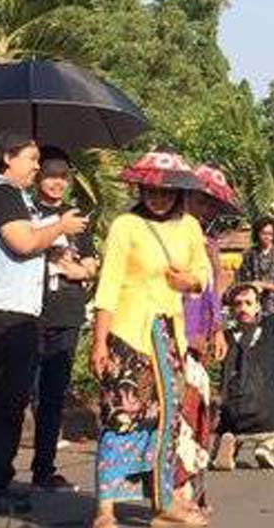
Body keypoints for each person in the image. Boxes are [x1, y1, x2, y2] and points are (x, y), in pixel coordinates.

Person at [0, 132, 87, 515]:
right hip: (0, 312)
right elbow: (21, 242)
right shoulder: (0, 193)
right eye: (30, 158)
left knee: (8, 404)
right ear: (7, 159)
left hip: (11, 312)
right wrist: (59, 227)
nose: (36, 166)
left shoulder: (9, 197)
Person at [89, 151, 210, 528]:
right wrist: (99, 340)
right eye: (150, 190)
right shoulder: (126, 225)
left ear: (177, 192)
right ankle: (106, 509)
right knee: (122, 416)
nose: (158, 197)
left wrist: (187, 281)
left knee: (167, 420)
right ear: (140, 189)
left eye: (166, 191)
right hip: (128, 334)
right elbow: (108, 283)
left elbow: (203, 274)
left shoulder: (189, 226)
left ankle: (162, 503)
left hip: (168, 336)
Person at [30, 148, 98, 493]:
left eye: (62, 176)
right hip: (29, 311)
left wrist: (75, 268)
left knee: (54, 394)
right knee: (24, 392)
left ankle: (44, 469)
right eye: (49, 174)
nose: (56, 182)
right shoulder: (25, 211)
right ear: (38, 176)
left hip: (67, 312)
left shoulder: (77, 219)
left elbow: (90, 266)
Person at [179, 163, 240, 512]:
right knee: (174, 418)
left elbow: (213, 294)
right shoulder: (166, 234)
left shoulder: (210, 244)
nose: (206, 209)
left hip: (200, 336)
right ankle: (172, 492)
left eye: (212, 204)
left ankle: (192, 492)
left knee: (198, 413)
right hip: (169, 335)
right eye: (201, 200)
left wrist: (216, 329)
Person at [213, 283, 274, 471]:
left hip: (233, 416)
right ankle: (264, 447)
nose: (243, 308)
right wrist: (265, 284)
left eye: (247, 303)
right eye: (239, 304)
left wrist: (219, 298)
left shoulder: (223, 337)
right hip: (267, 416)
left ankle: (230, 442)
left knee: (230, 411)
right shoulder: (271, 327)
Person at [236, 216, 274, 390]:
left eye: (270, 234)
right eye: (263, 233)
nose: (266, 237)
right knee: (256, 347)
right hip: (255, 309)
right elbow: (243, 279)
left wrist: (265, 286)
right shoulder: (250, 254)